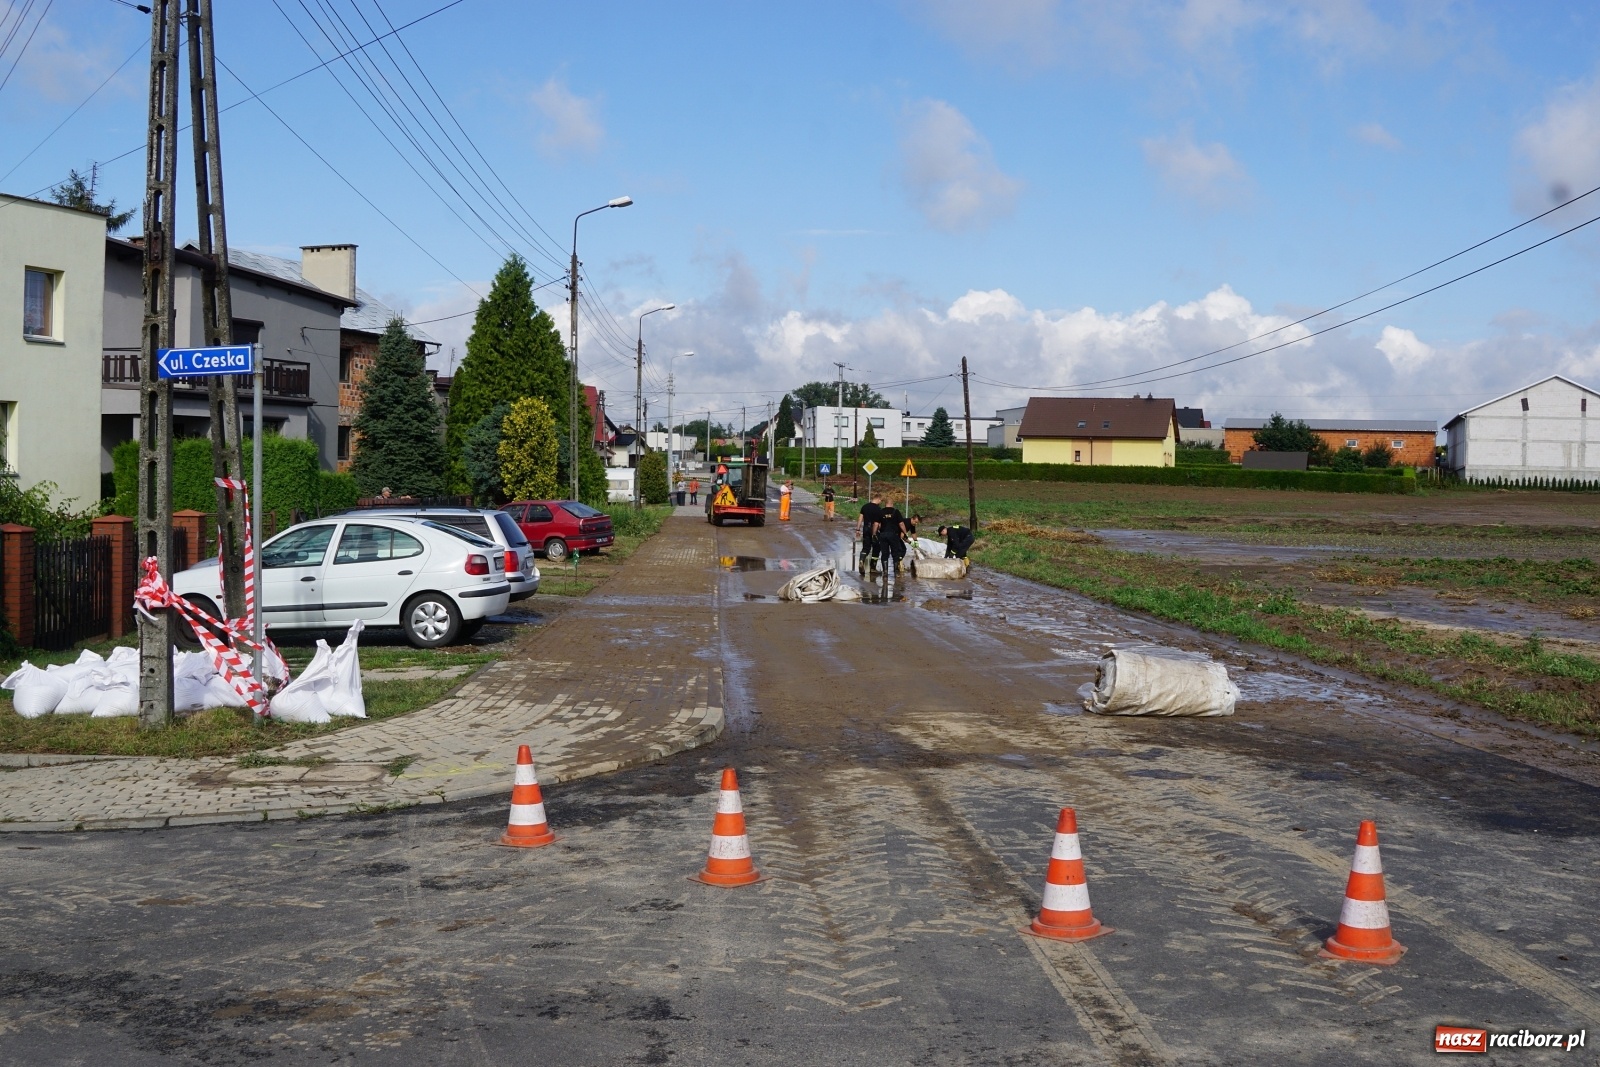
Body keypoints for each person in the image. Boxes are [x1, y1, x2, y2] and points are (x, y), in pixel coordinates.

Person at [875, 500, 909, 574]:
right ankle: (896, 572)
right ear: (892, 504)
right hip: (893, 535)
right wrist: (905, 533)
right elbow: (901, 524)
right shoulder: (896, 511)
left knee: (884, 553)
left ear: (885, 504)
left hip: (883, 535)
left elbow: (876, 524)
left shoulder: (880, 511)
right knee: (895, 553)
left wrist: (874, 533)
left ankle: (885, 572)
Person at [856, 493, 883, 573]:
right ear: (878, 499)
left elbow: (860, 518)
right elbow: (878, 523)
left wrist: (858, 529)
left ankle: (861, 560)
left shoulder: (865, 507)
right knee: (876, 549)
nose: (880, 502)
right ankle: (873, 568)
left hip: (866, 529)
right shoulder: (878, 509)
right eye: (880, 501)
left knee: (866, 548)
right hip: (874, 530)